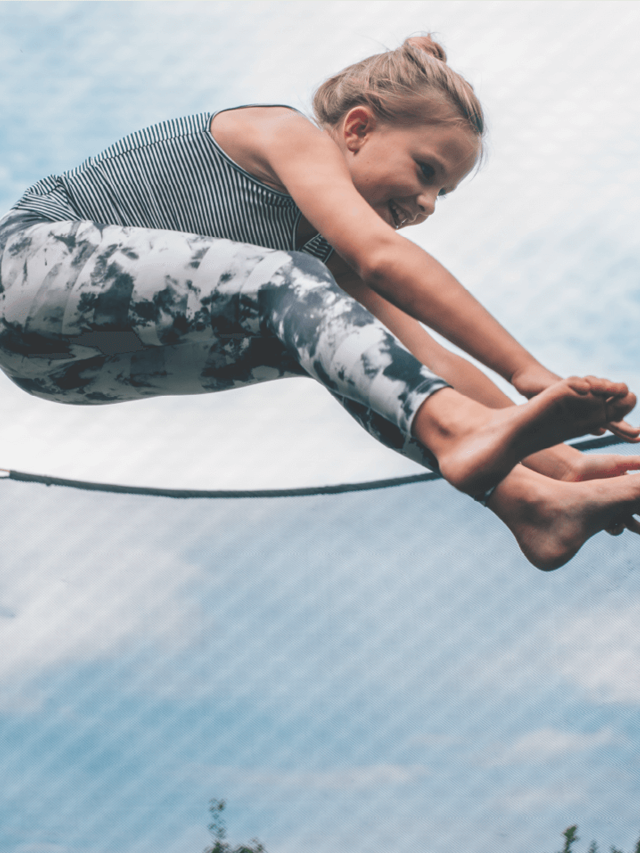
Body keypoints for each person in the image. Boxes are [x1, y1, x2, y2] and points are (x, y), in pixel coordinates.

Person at [1, 34, 639, 570]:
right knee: (294, 280)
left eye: (443, 195)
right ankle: (462, 439)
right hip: (28, 270)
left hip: (69, 369)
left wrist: (566, 465)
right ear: (358, 128)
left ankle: (534, 502)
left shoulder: (316, 274)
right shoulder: (282, 131)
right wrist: (527, 373)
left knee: (350, 348)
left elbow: (428, 361)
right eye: (424, 172)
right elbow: (381, 258)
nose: (426, 206)